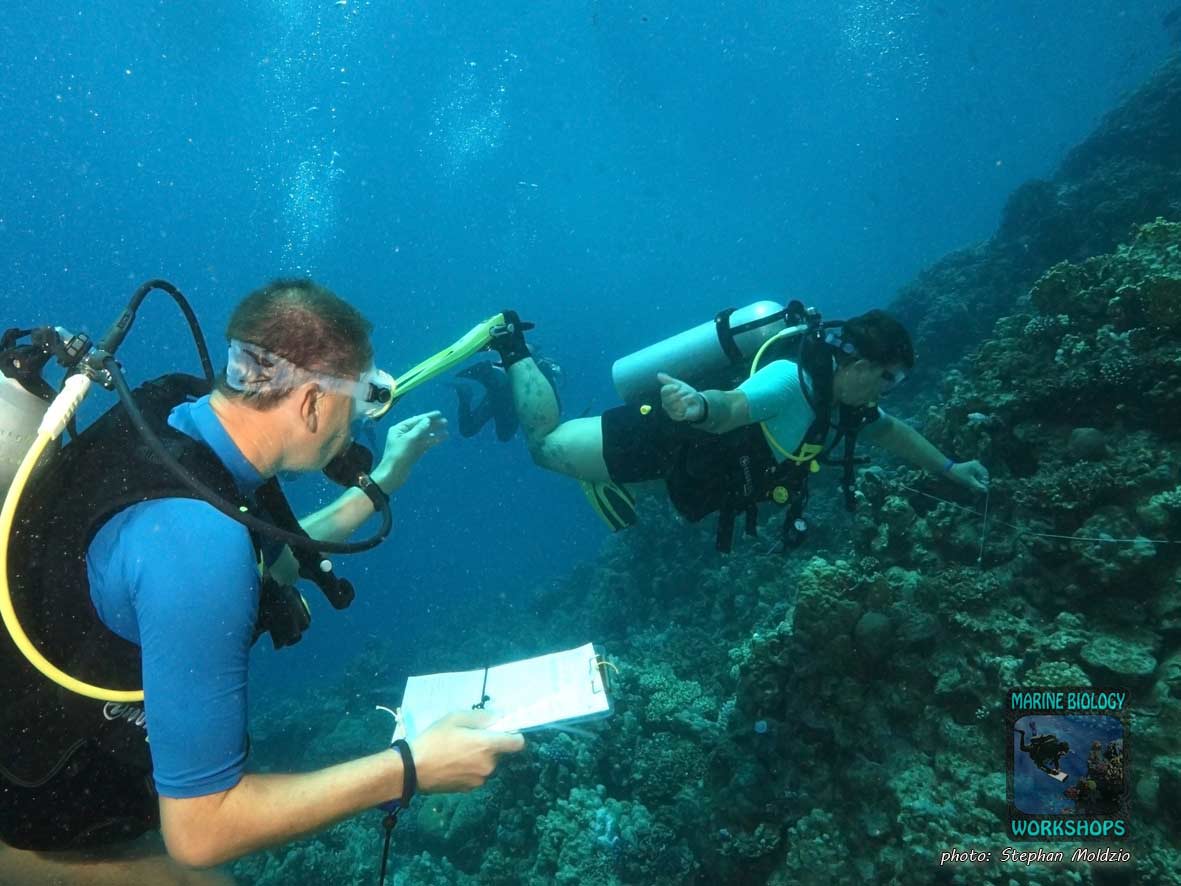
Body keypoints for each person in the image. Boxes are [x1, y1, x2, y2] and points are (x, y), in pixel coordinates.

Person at [0, 280, 524, 884]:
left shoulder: (174, 414)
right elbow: (201, 832)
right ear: (311, 405)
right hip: (33, 807)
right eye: (364, 399)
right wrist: (411, 767)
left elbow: (266, 549)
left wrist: (385, 477)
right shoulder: (198, 546)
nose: (358, 423)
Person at [486, 307, 989, 551]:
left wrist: (949, 467)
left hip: (697, 466)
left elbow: (892, 432)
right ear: (858, 365)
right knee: (543, 447)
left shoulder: (843, 398)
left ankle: (604, 477)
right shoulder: (790, 382)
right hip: (662, 434)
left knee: (663, 489)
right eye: (888, 378)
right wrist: (697, 406)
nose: (888, 390)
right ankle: (513, 349)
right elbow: (733, 407)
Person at [450, 355, 562, 442]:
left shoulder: (540, 371)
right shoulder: (542, 373)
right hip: (505, 394)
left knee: (472, 430)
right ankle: (489, 376)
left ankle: (483, 380)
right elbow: (557, 409)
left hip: (502, 394)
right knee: (500, 434)